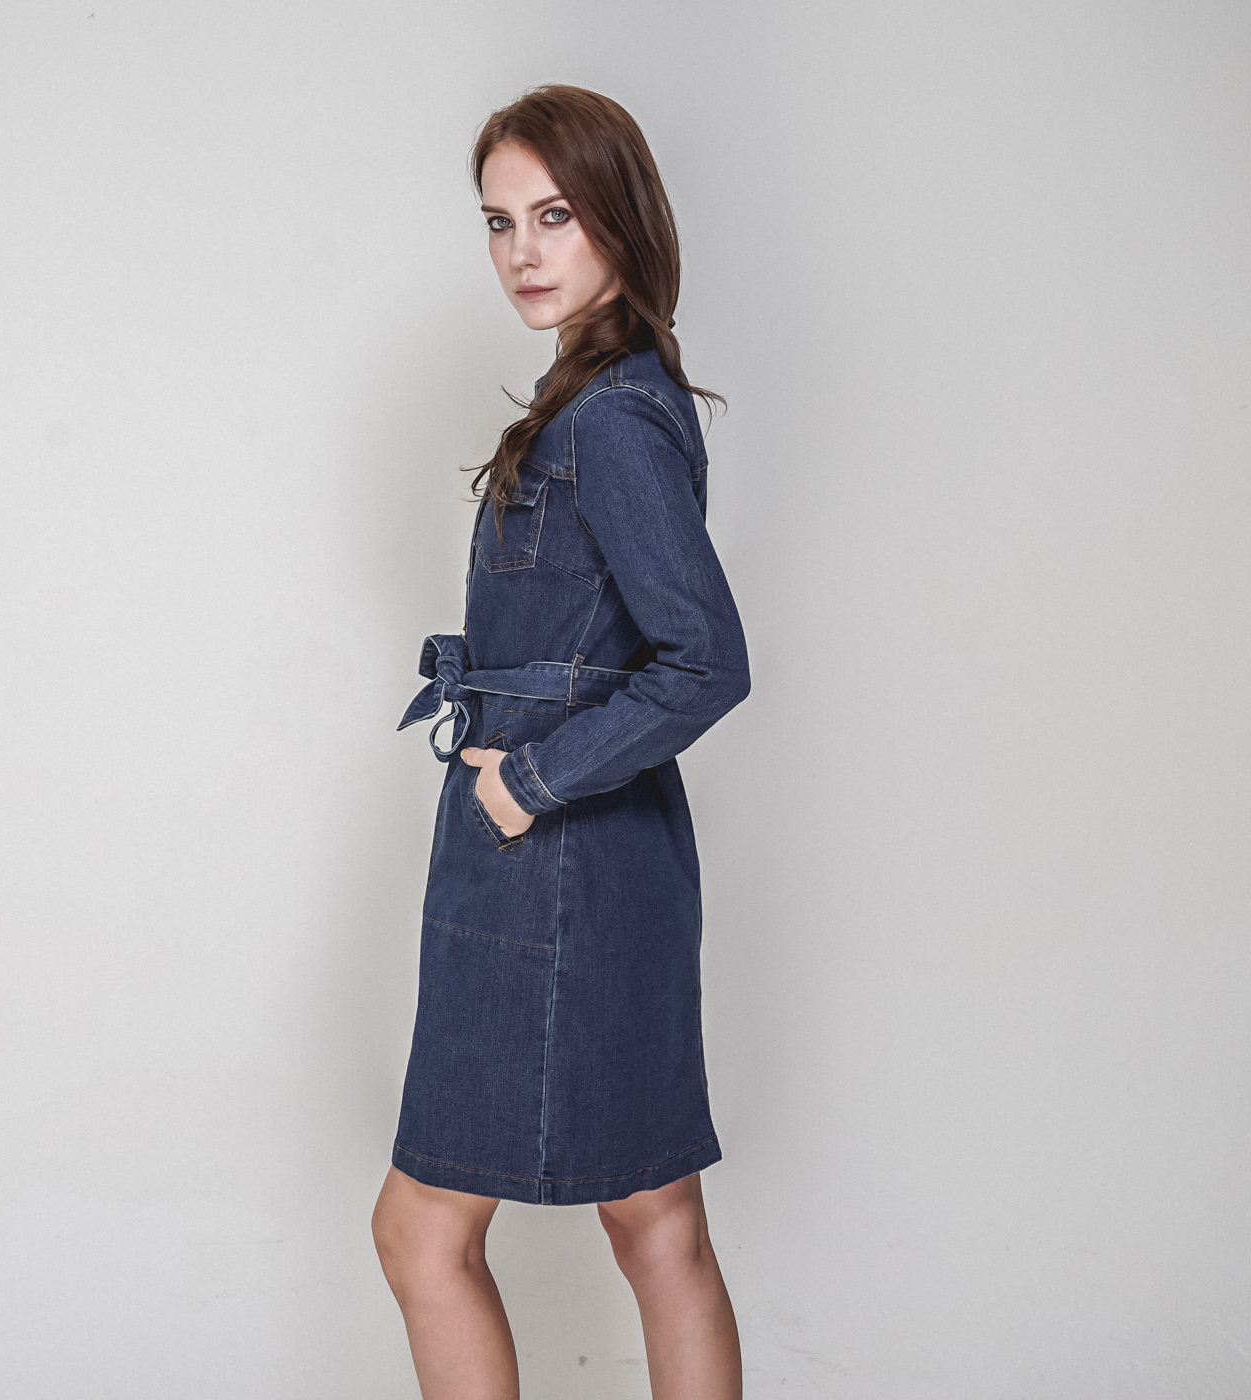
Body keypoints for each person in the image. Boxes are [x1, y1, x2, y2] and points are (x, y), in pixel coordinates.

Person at [371, 84, 751, 1400]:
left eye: (556, 215)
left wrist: (528, 783)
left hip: (558, 870)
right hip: (595, 860)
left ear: (621, 219)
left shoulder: (611, 421)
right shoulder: (606, 399)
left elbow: (706, 660)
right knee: (657, 1224)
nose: (523, 252)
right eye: (499, 222)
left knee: (426, 1233)